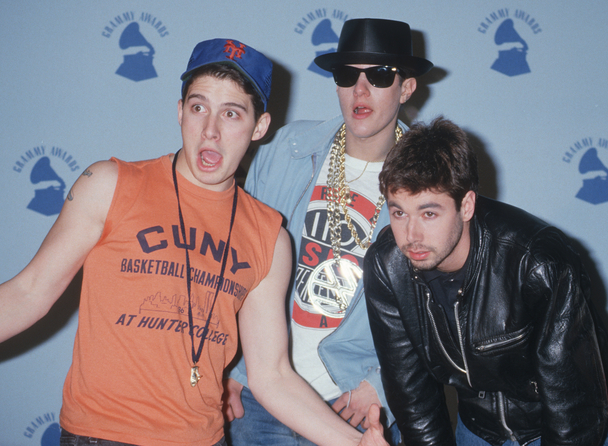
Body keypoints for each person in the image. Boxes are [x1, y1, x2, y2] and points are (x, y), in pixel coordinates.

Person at [0, 38, 388, 446]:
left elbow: (272, 375)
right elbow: (28, 293)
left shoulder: (269, 236)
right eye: (199, 107)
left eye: (231, 113)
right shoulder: (109, 184)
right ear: (180, 111)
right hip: (101, 436)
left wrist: (356, 443)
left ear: (259, 127)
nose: (210, 131)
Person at [225, 19, 433, 445]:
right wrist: (229, 367)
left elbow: (442, 307)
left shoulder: (430, 180)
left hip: (355, 405)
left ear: (406, 88)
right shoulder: (288, 150)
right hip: (260, 399)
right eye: (346, 75)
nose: (360, 90)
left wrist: (384, 384)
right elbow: (237, 267)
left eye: (379, 76)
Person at [363, 117, 608, 445]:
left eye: (429, 214)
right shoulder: (388, 266)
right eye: (399, 213)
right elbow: (413, 398)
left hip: (557, 421)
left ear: (466, 205)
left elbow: (573, 406)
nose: (411, 235)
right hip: (478, 426)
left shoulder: (537, 262)